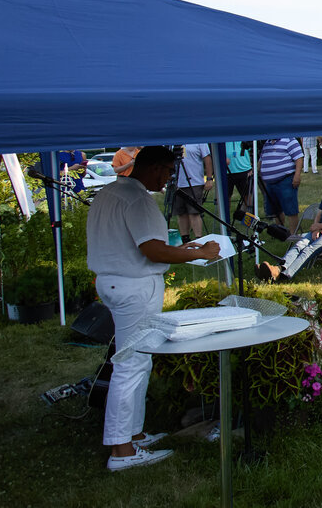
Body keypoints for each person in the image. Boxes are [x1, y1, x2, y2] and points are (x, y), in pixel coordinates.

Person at [88, 147, 221, 471]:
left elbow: (136, 244)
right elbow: (151, 250)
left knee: (137, 362)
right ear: (156, 168)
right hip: (134, 287)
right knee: (130, 366)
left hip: (114, 280)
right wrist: (197, 253)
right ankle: (122, 451)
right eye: (167, 172)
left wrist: (179, 249)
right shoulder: (138, 199)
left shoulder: (109, 192)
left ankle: (134, 433)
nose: (168, 179)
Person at [257, 165, 322, 281]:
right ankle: (278, 269)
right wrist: (316, 227)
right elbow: (320, 212)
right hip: (321, 228)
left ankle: (285, 276)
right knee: (300, 245)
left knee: (311, 248)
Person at [257, 137, 305, 232]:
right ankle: (280, 231)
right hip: (270, 183)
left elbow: (299, 158)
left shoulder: (290, 140)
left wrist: (297, 175)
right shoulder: (267, 142)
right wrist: (256, 170)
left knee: (291, 209)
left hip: (285, 180)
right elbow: (261, 159)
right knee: (276, 210)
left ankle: (293, 234)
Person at [172, 143, 213, 242]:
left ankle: (198, 239)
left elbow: (207, 158)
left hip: (194, 182)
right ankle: (185, 239)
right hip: (177, 182)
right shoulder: (172, 140)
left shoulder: (199, 141)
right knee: (181, 212)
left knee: (194, 212)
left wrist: (209, 178)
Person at [222, 142, 253, 220]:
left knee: (247, 196)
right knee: (226, 197)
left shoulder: (242, 135)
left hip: (244, 170)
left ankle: (251, 220)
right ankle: (226, 220)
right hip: (227, 172)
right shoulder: (222, 138)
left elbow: (253, 149)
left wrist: (250, 167)